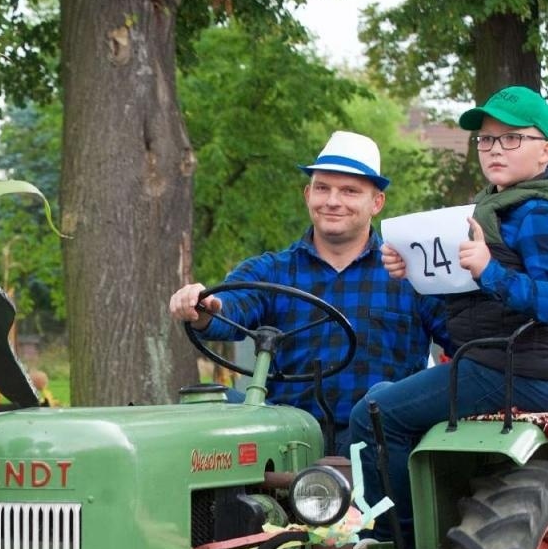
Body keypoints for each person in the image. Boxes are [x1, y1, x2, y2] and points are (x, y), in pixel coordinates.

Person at [350, 85, 548, 537]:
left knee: (373, 415)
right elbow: (466, 293)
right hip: (495, 359)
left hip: (519, 369)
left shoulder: (540, 212)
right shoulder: (499, 206)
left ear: (545, 151)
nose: (494, 149)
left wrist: (490, 271)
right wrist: (410, 270)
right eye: (486, 140)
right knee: (386, 395)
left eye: (511, 139)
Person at [169, 131, 450, 453]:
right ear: (307, 195)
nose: (332, 201)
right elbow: (230, 308)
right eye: (322, 188)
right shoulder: (272, 271)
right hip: (288, 437)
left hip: (380, 442)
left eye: (349, 191)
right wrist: (204, 307)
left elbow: (460, 337)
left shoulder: (409, 272)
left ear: (376, 202)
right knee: (209, 404)